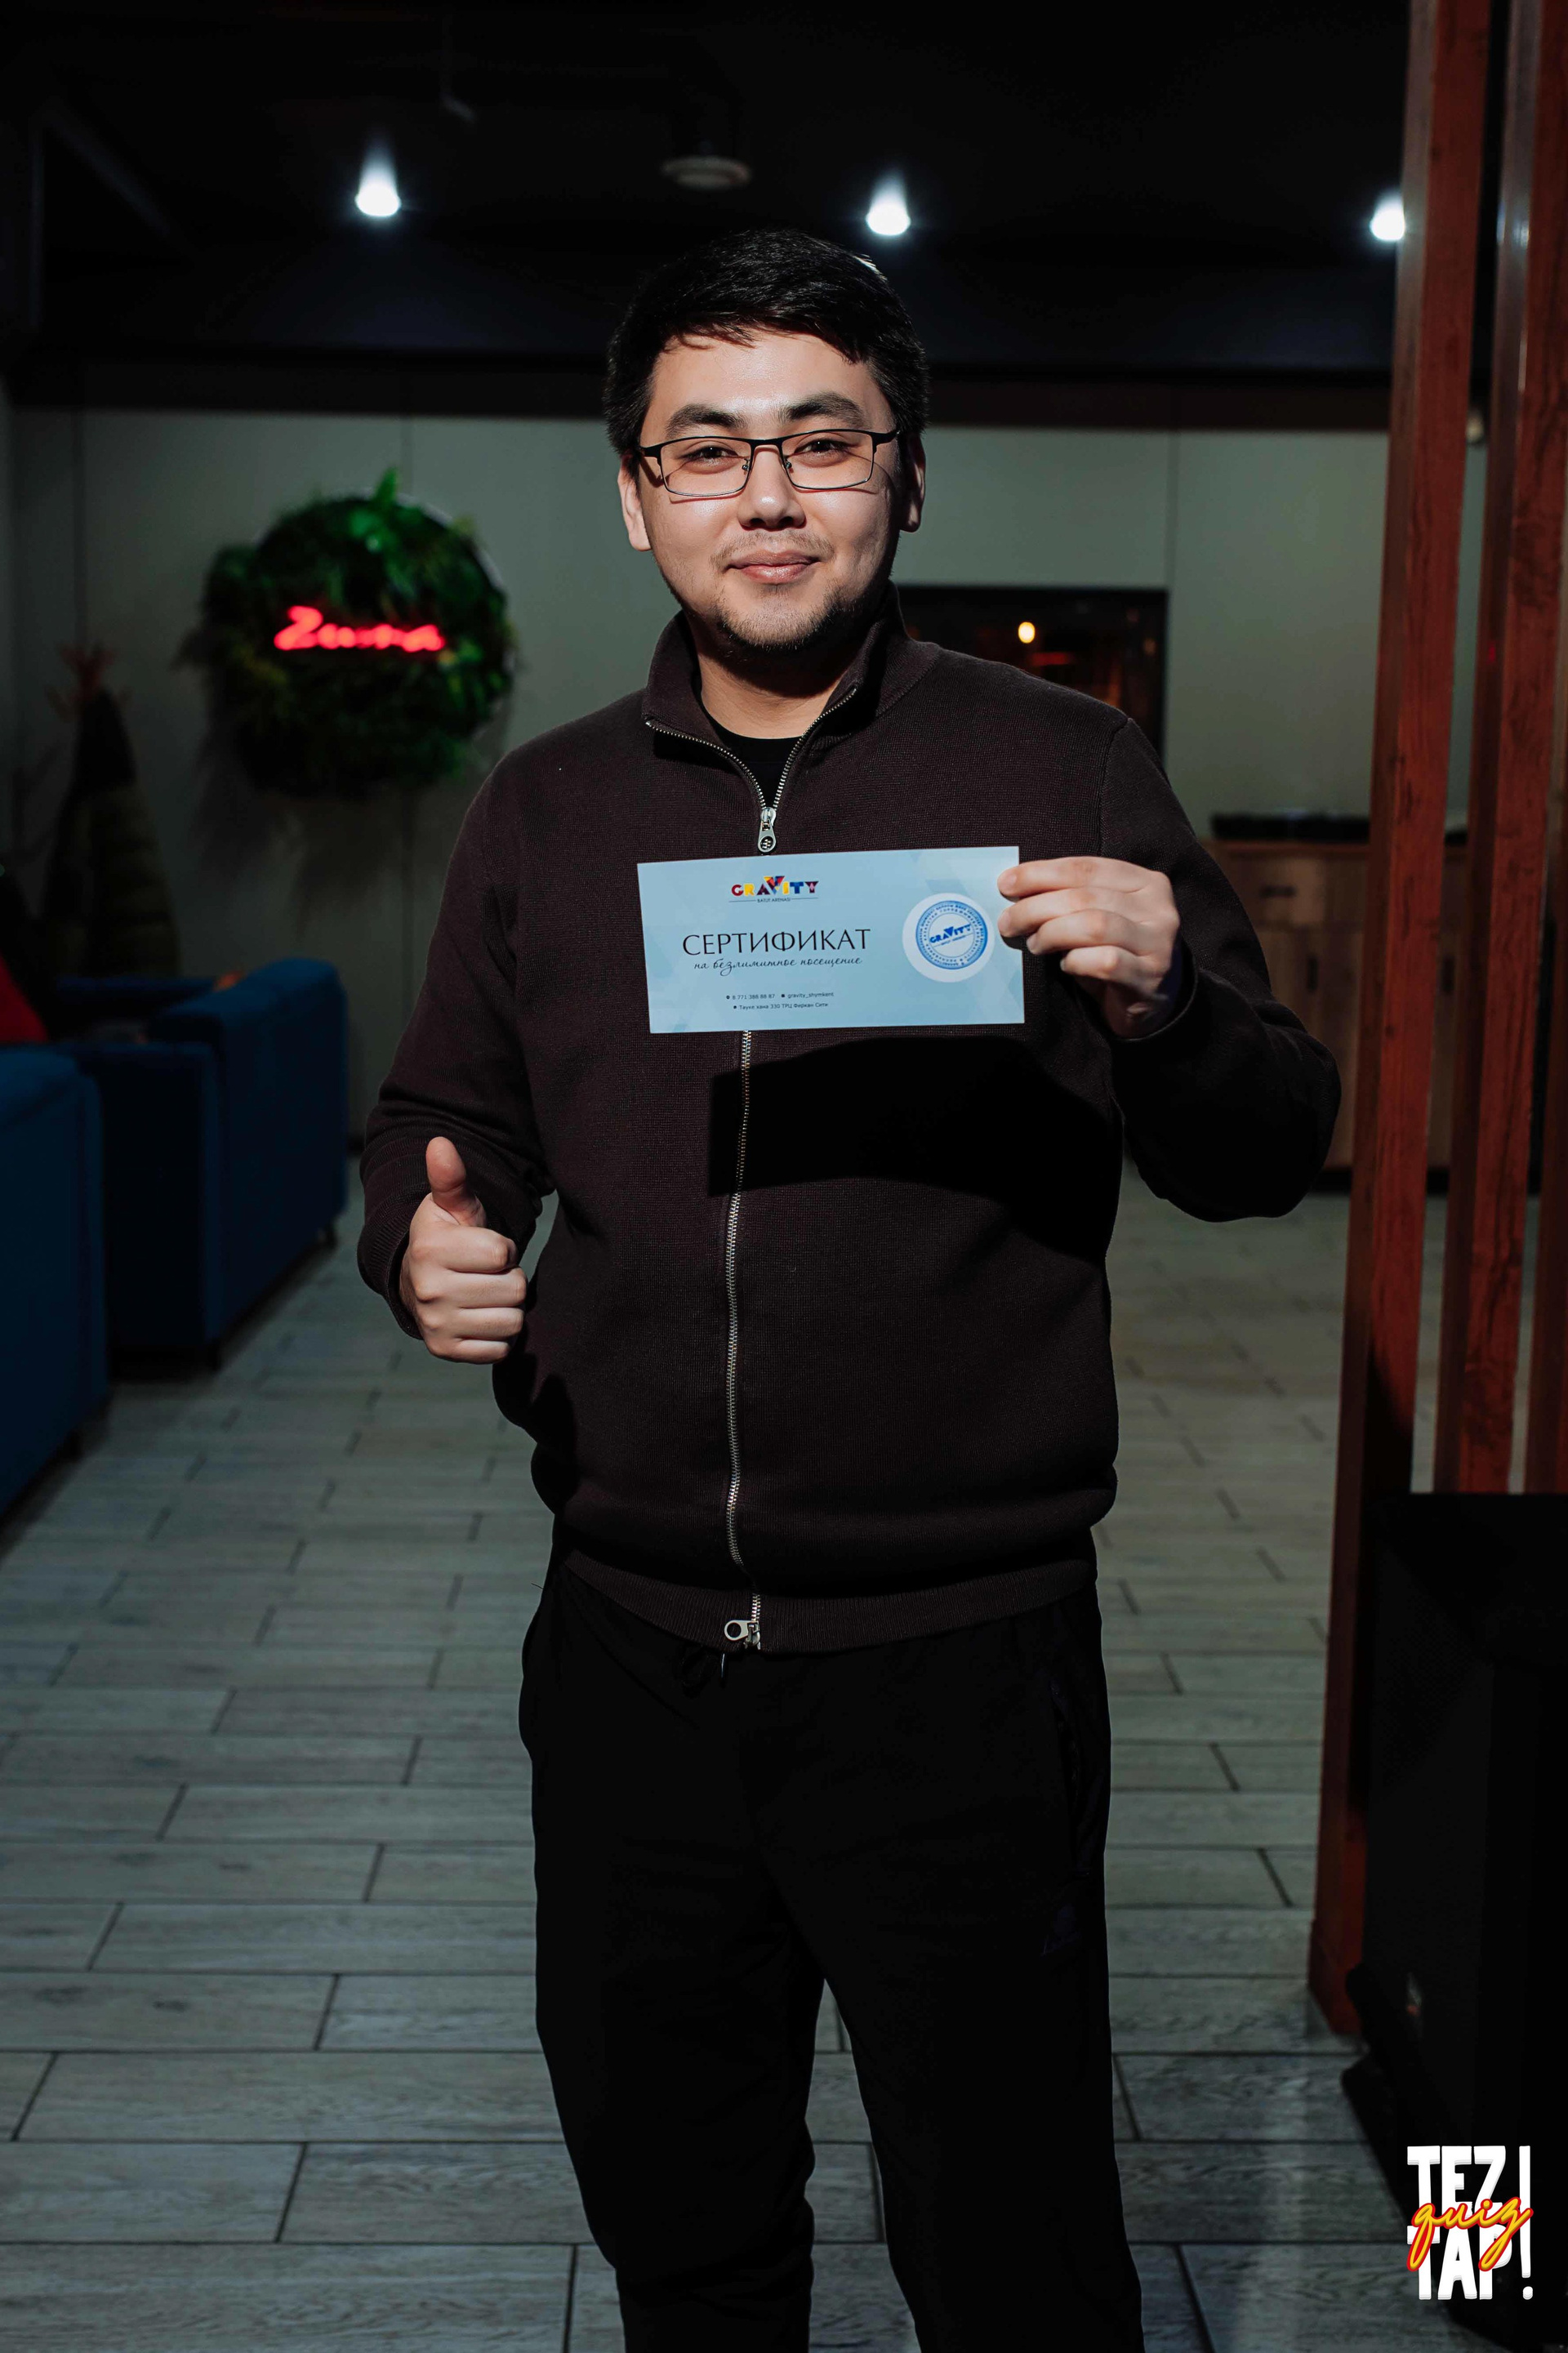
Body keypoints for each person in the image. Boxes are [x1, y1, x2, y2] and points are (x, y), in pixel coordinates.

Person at [359, 227, 1339, 2353]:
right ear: (635, 494)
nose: (768, 494)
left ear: (907, 473)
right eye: (707, 449)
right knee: (686, 2234)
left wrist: (1170, 1001)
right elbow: (444, 1110)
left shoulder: (1063, 770)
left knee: (1015, 2257)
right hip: (629, 1660)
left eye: (822, 440)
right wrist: (423, 1232)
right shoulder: (545, 812)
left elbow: (1267, 1149)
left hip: (958, 1665)